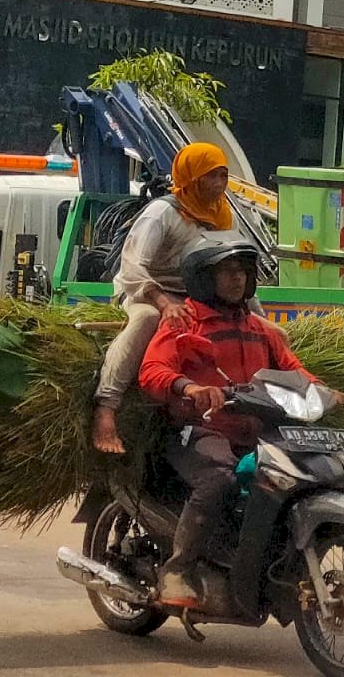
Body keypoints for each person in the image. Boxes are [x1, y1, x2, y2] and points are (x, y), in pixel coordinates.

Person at [137, 240, 338, 610]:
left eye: (243, 272)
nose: (237, 279)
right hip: (198, 429)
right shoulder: (185, 320)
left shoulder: (259, 329)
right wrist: (191, 387)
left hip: (253, 430)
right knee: (219, 476)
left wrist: (321, 390)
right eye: (227, 271)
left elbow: (290, 368)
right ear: (204, 278)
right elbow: (152, 371)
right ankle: (177, 569)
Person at [91, 142, 237, 454]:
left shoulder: (223, 216)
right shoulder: (162, 213)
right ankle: (106, 407)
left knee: (253, 319)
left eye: (224, 176)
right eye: (213, 176)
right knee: (147, 319)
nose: (220, 184)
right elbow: (131, 266)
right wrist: (163, 302)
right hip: (144, 289)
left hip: (195, 295)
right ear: (192, 178)